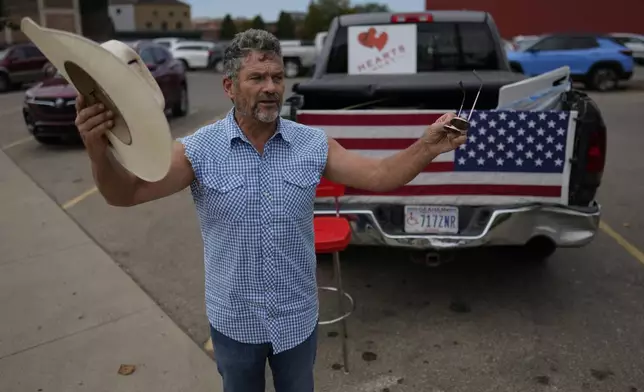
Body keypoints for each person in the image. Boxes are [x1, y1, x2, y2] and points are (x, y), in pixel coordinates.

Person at [74, 29, 466, 392]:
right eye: (257, 78)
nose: (271, 88)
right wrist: (97, 151)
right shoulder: (197, 151)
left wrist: (427, 147)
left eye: (277, 78)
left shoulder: (312, 145)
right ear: (229, 86)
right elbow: (126, 193)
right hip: (234, 323)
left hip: (296, 320)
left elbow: (380, 175)